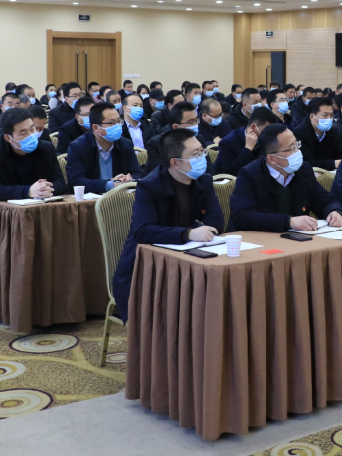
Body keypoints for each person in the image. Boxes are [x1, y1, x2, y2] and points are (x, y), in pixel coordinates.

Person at [112, 128, 222, 321]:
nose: (202, 158)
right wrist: (188, 234)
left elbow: (216, 221)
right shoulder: (149, 186)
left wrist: (197, 233)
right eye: (195, 155)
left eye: (202, 152)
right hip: (148, 268)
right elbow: (143, 231)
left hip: (192, 260)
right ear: (175, 162)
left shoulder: (204, 181)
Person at [0, 107, 68, 256]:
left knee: (65, 240)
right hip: (5, 218)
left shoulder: (46, 148)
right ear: (8, 138)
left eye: (32, 129)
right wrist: (28, 191)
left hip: (43, 214)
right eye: (23, 133)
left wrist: (46, 188)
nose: (31, 135)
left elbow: (61, 183)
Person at [227, 124, 342, 232]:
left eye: (297, 145)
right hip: (259, 240)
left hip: (296, 239)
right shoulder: (249, 175)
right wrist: (288, 222)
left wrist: (334, 211)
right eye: (291, 148)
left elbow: (323, 199)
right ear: (272, 159)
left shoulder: (303, 170)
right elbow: (242, 216)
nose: (298, 151)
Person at [66, 102, 143, 194]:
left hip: (121, 198)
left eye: (119, 121)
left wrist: (128, 179)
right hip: (91, 199)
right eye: (112, 123)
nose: (118, 126)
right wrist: (110, 184)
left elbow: (138, 173)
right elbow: (75, 181)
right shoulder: (78, 147)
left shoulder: (126, 144)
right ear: (95, 127)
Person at [214, 106, 278, 176]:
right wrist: (248, 148)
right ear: (253, 127)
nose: (268, 133)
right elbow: (231, 171)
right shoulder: (228, 142)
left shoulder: (265, 138)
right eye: (266, 129)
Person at [294, 96, 342, 171]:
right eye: (325, 115)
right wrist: (334, 163)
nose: (329, 119)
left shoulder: (333, 131)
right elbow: (306, 162)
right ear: (312, 116)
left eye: (331, 115)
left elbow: (340, 154)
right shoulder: (299, 133)